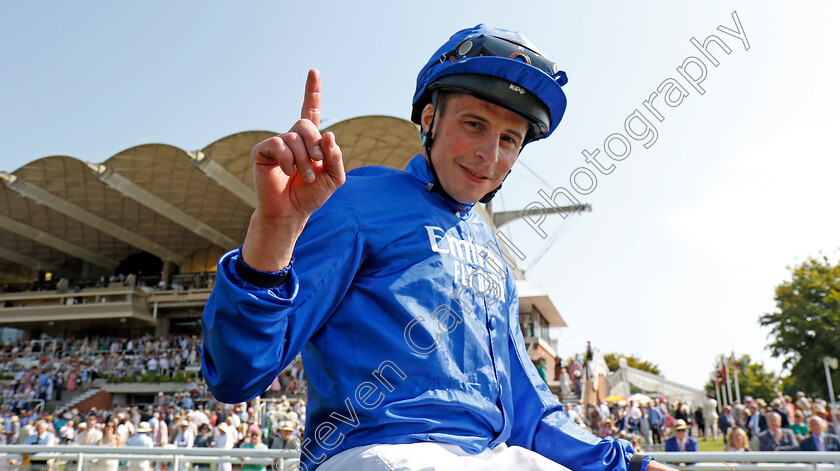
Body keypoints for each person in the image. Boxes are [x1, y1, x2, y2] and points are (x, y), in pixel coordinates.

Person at [202, 24, 675, 471]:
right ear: (430, 118)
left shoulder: (492, 251)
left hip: (488, 457)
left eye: (509, 139)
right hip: (380, 452)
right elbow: (237, 376)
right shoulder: (356, 202)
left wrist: (624, 462)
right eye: (474, 125)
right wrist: (275, 228)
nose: (490, 154)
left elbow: (527, 408)